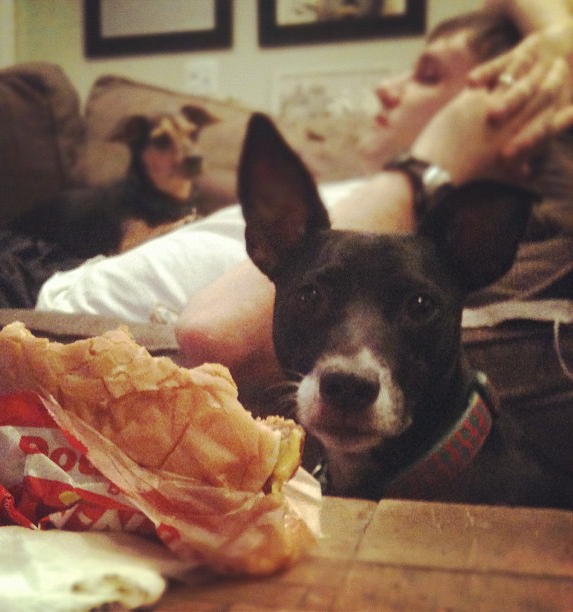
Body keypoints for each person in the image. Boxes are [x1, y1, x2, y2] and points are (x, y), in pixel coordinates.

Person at [36, 2, 572, 397]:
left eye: (427, 76)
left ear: (499, 112)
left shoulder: (413, 214)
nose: (389, 86)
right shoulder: (359, 194)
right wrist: (556, 31)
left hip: (27, 288)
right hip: (39, 261)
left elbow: (218, 334)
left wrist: (434, 162)